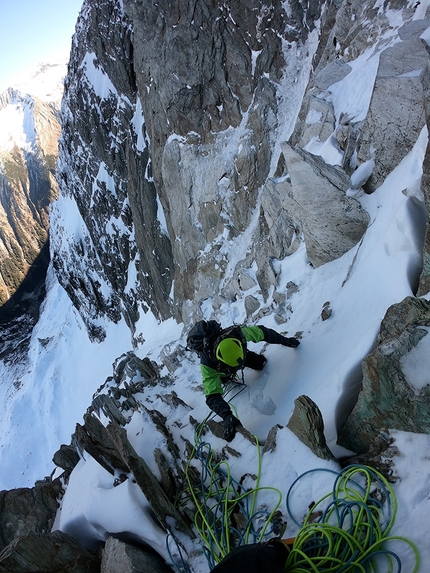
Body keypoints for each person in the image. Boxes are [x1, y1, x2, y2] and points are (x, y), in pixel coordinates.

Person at [190, 322, 300, 441]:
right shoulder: (208, 365)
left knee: (260, 363)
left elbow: (263, 333)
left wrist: (287, 341)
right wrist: (227, 415)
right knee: (225, 377)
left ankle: (238, 364)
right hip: (223, 368)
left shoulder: (237, 333)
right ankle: (226, 376)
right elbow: (212, 396)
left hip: (241, 356)